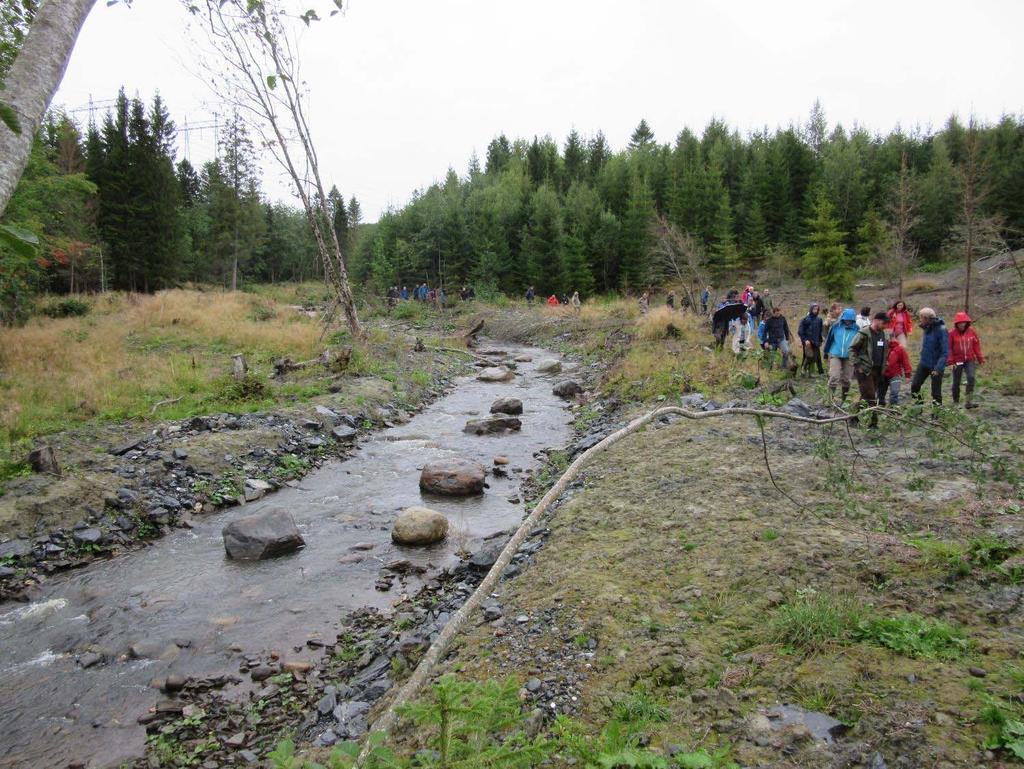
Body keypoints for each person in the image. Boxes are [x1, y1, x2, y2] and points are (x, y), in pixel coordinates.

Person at [850, 311, 889, 427]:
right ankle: (873, 422)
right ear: (876, 320)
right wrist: (857, 366)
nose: (885, 326)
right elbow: (852, 349)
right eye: (883, 323)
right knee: (871, 396)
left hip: (878, 370)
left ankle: (854, 418)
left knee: (866, 396)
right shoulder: (864, 333)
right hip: (865, 370)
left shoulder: (883, 334)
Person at [910, 307, 949, 406]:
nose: (920, 320)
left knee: (936, 392)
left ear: (927, 318)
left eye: (921, 318)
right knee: (915, 386)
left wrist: (938, 368)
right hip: (924, 363)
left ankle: (936, 414)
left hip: (936, 365)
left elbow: (945, 352)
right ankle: (918, 406)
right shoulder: (927, 328)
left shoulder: (942, 330)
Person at [948, 310, 984, 408]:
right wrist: (950, 362)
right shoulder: (951, 333)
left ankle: (969, 402)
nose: (962, 324)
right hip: (956, 360)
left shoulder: (972, 332)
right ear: (956, 323)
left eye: (964, 322)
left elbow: (976, 345)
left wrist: (980, 358)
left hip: (969, 359)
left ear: (967, 322)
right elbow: (949, 348)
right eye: (960, 323)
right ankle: (956, 401)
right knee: (956, 381)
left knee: (971, 378)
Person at [823, 308, 859, 402]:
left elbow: (860, 344)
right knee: (834, 376)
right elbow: (829, 340)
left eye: (850, 319)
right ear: (843, 318)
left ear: (853, 319)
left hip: (849, 356)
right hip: (835, 354)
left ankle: (844, 400)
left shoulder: (857, 329)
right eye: (846, 319)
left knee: (847, 379)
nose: (848, 321)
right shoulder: (836, 327)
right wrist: (825, 353)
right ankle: (830, 399)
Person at [881, 331, 912, 406]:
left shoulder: (900, 349)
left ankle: (893, 409)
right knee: (880, 394)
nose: (887, 341)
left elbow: (906, 362)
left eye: (889, 339)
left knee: (894, 393)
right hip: (883, 374)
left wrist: (908, 375)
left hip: (895, 375)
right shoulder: (881, 347)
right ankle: (879, 409)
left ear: (893, 338)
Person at [798, 303, 825, 376]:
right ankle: (803, 369)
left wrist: (820, 340)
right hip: (808, 341)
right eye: (814, 309)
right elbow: (800, 331)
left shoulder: (819, 319)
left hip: (816, 341)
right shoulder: (805, 319)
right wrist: (805, 340)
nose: (815, 310)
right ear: (811, 309)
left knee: (814, 357)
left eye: (817, 309)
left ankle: (811, 373)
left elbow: (820, 331)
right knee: (808, 356)